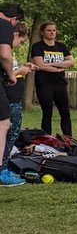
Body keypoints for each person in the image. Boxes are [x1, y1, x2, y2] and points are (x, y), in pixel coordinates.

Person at [30, 20, 75, 137]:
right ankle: (46, 139)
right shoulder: (37, 46)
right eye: (49, 30)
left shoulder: (61, 46)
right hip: (44, 85)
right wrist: (59, 68)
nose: (52, 33)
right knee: (47, 113)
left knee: (65, 113)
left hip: (60, 84)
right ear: (42, 32)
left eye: (54, 30)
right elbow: (40, 65)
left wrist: (51, 65)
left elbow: (71, 62)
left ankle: (68, 139)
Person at [0, 2, 26, 186]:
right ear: (14, 19)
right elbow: (5, 55)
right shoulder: (4, 25)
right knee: (4, 123)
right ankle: (1, 171)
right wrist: (11, 74)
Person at [5, 22, 34, 166]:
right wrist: (20, 71)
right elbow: (7, 75)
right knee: (9, 132)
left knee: (13, 132)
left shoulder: (10, 52)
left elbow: (11, 70)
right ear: (16, 34)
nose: (20, 45)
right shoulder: (4, 52)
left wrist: (23, 67)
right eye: (21, 41)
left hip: (14, 97)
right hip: (8, 98)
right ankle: (3, 166)